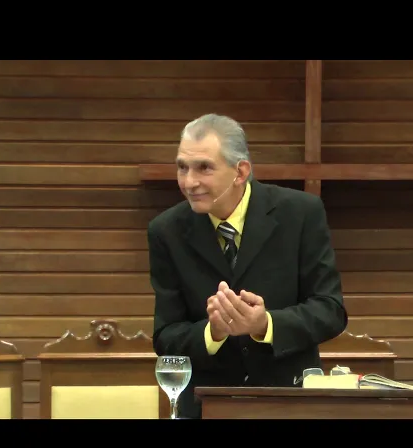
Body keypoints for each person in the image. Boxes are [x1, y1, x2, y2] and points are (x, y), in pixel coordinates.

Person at [147, 113, 348, 418]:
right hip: (206, 407)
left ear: (240, 172)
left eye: (204, 168)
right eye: (182, 167)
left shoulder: (300, 213)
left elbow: (330, 310)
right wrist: (212, 332)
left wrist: (264, 324)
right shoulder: (166, 230)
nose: (189, 182)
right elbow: (166, 336)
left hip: (289, 403)